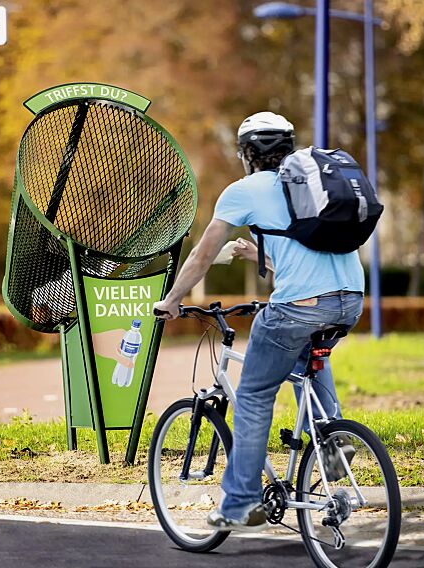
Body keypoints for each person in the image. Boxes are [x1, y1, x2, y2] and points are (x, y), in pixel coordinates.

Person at [152, 111, 365, 532]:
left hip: (299, 307)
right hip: (350, 301)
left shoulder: (243, 190)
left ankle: (239, 504)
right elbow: (310, 254)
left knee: (252, 394)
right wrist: (258, 256)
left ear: (246, 154)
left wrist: (173, 300)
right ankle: (332, 438)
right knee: (309, 357)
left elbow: (201, 255)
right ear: (288, 148)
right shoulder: (310, 182)